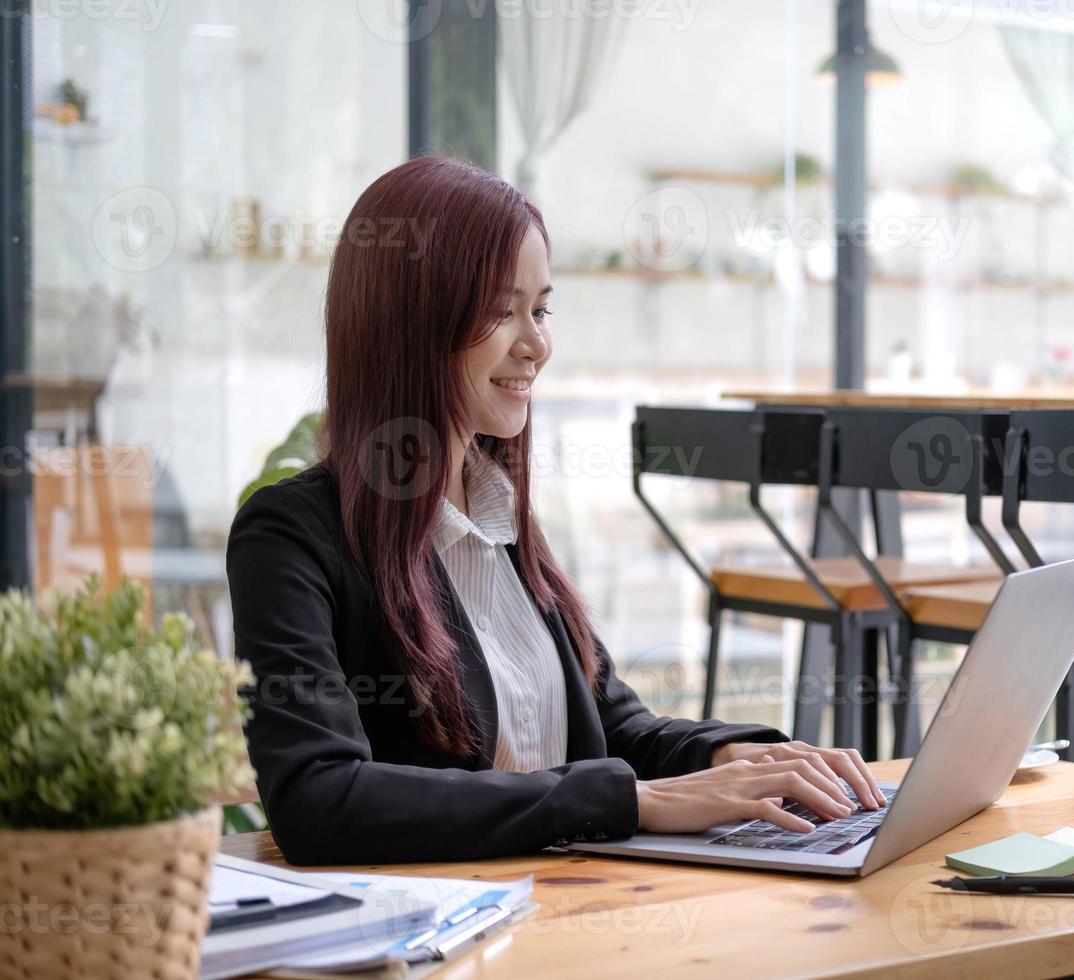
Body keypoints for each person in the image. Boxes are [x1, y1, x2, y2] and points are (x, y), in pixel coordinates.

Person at [227, 156, 884, 866]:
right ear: (408, 322)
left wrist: (740, 755)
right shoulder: (292, 537)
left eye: (540, 309)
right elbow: (319, 800)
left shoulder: (499, 513)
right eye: (500, 311)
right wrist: (630, 802)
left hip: (570, 902)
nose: (536, 344)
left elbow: (606, 723)